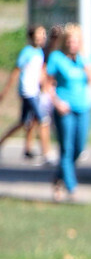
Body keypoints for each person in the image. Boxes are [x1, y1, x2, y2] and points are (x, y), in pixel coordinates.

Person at [45, 23, 91, 202]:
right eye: (69, 41)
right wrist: (57, 102)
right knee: (66, 148)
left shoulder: (84, 58)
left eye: (76, 41)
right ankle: (71, 187)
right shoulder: (56, 58)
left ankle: (59, 178)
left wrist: (85, 61)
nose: (72, 44)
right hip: (64, 109)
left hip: (83, 107)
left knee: (78, 148)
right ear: (65, 41)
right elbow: (47, 84)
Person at [0, 24, 52, 163]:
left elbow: (39, 73)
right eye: (39, 34)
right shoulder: (27, 52)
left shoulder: (39, 52)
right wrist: (5, 90)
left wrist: (45, 85)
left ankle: (25, 149)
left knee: (25, 122)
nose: (42, 37)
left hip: (35, 90)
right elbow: (16, 71)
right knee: (43, 120)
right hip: (27, 91)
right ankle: (46, 153)